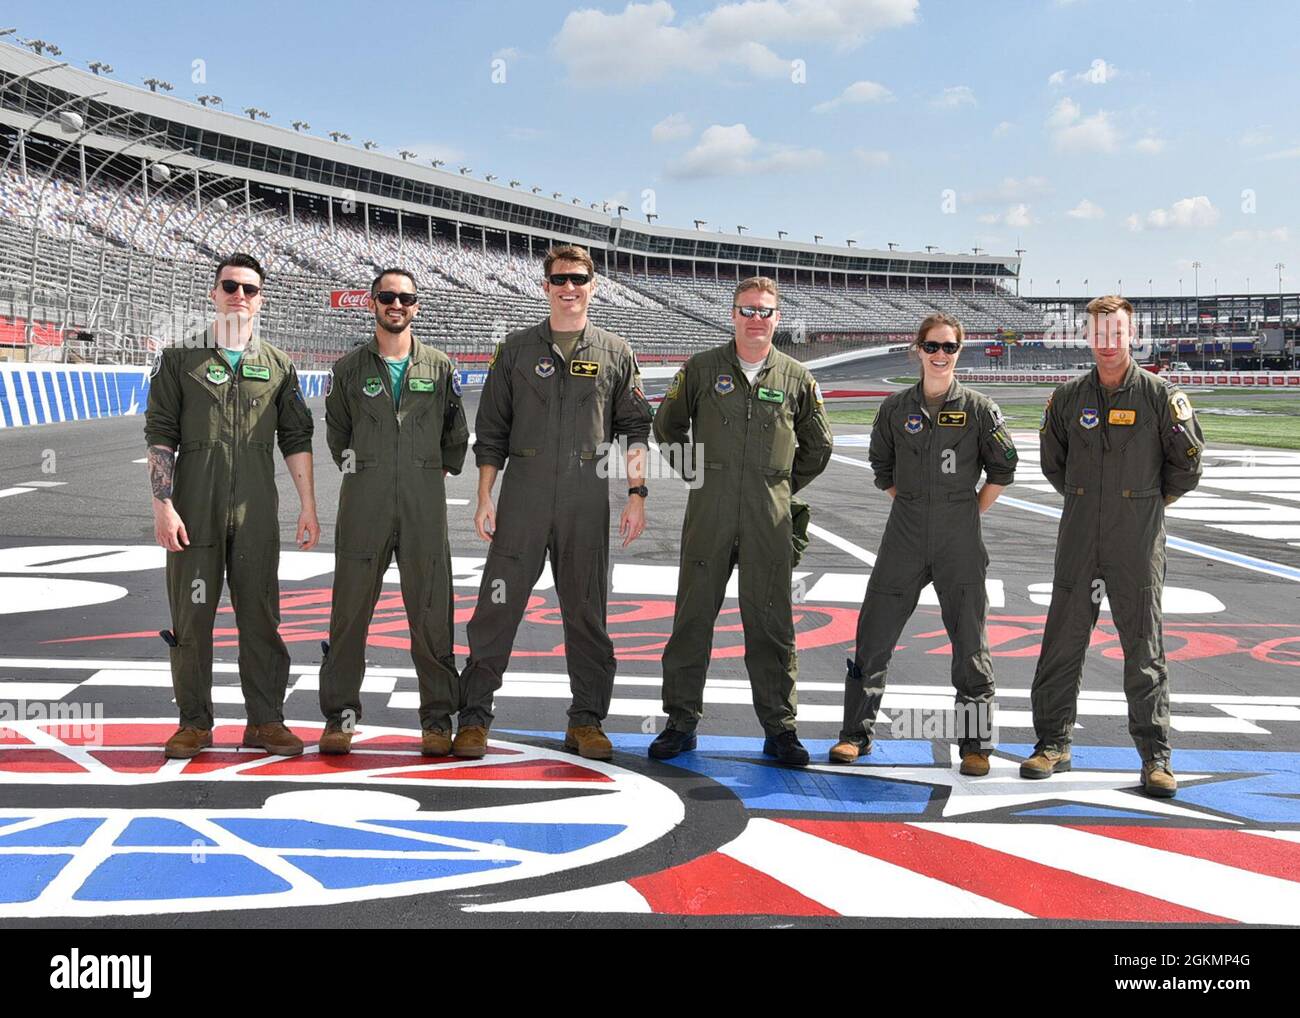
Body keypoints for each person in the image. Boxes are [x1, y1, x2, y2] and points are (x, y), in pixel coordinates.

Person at [457, 245, 653, 761]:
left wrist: (636, 494)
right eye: (560, 279)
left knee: (587, 613)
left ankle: (586, 721)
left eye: (579, 279)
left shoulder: (615, 351)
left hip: (587, 499)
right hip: (523, 496)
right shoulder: (517, 350)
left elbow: (635, 428)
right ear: (545, 286)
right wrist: (483, 496)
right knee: (496, 608)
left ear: (593, 284)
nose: (570, 288)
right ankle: (474, 718)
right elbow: (492, 431)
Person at [1023, 295, 1204, 797]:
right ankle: (1052, 744)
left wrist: (1142, 503)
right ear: (1088, 336)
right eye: (1098, 331)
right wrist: (1093, 502)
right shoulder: (1066, 398)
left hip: (1137, 539)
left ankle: (1155, 757)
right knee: (1062, 642)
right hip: (1080, 536)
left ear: (1131, 334)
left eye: (1117, 330)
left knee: (1143, 649)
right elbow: (1053, 465)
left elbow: (1187, 464)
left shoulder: (1159, 395)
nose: (1108, 340)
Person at [649, 276, 833, 767]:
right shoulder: (702, 368)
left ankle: (780, 728)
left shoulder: (797, 378)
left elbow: (820, 446)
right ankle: (680, 723)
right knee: (692, 619)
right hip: (708, 511)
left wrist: (779, 487)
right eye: (747, 310)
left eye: (765, 311)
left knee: (771, 624)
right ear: (732, 314)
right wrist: (698, 474)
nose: (756, 319)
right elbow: (666, 426)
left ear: (777, 319)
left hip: (768, 518)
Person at [144, 252, 318, 759]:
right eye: (230, 286)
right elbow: (160, 437)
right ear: (213, 293)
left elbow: (296, 438)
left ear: (260, 299)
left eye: (249, 288)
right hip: (193, 510)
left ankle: (265, 721)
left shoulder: (279, 366)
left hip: (257, 511)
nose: (239, 295)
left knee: (261, 617)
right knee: (192, 617)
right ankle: (194, 724)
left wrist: (307, 505)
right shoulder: (180, 359)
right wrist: (163, 506)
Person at [830, 313, 1017, 773]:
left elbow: (1003, 468)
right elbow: (882, 468)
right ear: (918, 349)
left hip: (960, 536)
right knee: (873, 635)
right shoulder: (895, 409)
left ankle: (975, 746)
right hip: (905, 533)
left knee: (971, 644)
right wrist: (914, 503)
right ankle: (855, 735)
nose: (939, 355)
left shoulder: (979, 408)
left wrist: (969, 511)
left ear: (959, 352)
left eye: (949, 348)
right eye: (931, 346)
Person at [318, 269, 468, 755]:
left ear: (416, 306)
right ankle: (340, 717)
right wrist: (374, 472)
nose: (396, 304)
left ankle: (437, 719)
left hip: (424, 505)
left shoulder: (440, 367)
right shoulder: (348, 369)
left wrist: (423, 475)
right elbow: (337, 436)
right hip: (364, 503)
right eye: (387, 297)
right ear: (373, 304)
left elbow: (455, 436)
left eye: (405, 297)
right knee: (349, 613)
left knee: (431, 614)